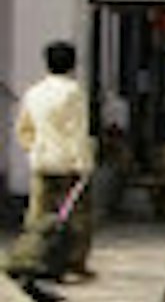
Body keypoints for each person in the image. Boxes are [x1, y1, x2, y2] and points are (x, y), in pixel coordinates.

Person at [9, 40, 98, 283]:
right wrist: (84, 163)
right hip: (69, 162)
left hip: (42, 160)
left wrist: (34, 149)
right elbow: (77, 130)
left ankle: (34, 257)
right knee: (78, 217)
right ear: (73, 64)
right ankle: (74, 263)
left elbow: (23, 128)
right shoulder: (73, 92)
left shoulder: (34, 92)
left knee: (38, 215)